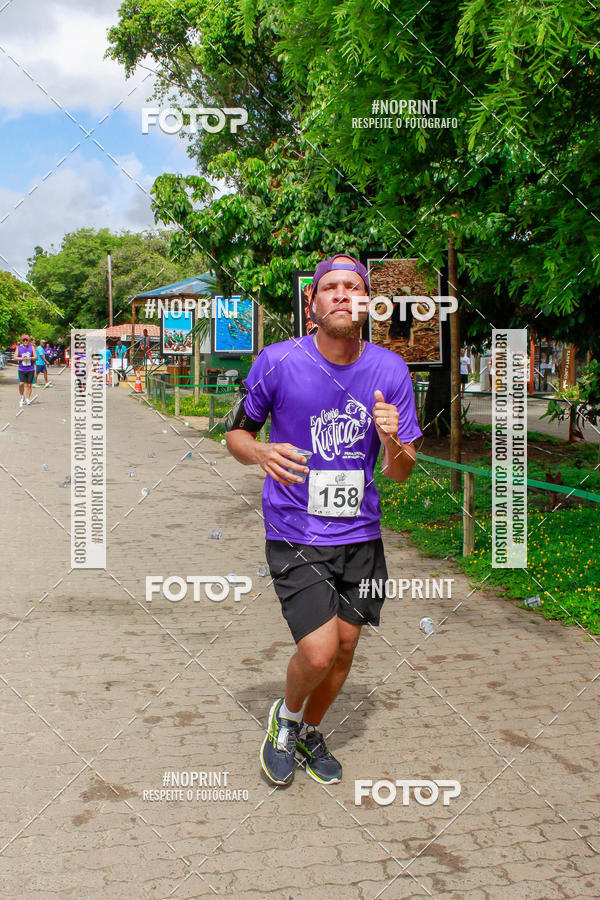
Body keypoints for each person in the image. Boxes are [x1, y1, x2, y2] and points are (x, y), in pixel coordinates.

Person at [225, 254, 422, 786]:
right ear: (311, 304)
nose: (341, 294)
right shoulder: (277, 360)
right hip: (296, 531)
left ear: (365, 304)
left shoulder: (390, 370)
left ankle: (311, 731)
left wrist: (392, 439)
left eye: (352, 287)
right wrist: (261, 453)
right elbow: (236, 435)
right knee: (319, 651)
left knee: (347, 647)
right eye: (329, 287)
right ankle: (285, 721)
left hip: (361, 534)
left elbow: (402, 473)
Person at [14, 334, 36, 406]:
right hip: (21, 369)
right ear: (22, 341)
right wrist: (22, 359)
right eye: (24, 340)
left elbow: (35, 357)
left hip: (30, 369)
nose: (25, 341)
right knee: (21, 384)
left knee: (29, 385)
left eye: (27, 340)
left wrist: (30, 358)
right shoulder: (19, 348)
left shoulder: (32, 347)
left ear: (28, 341)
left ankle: (27, 398)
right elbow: (15, 357)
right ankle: (22, 396)